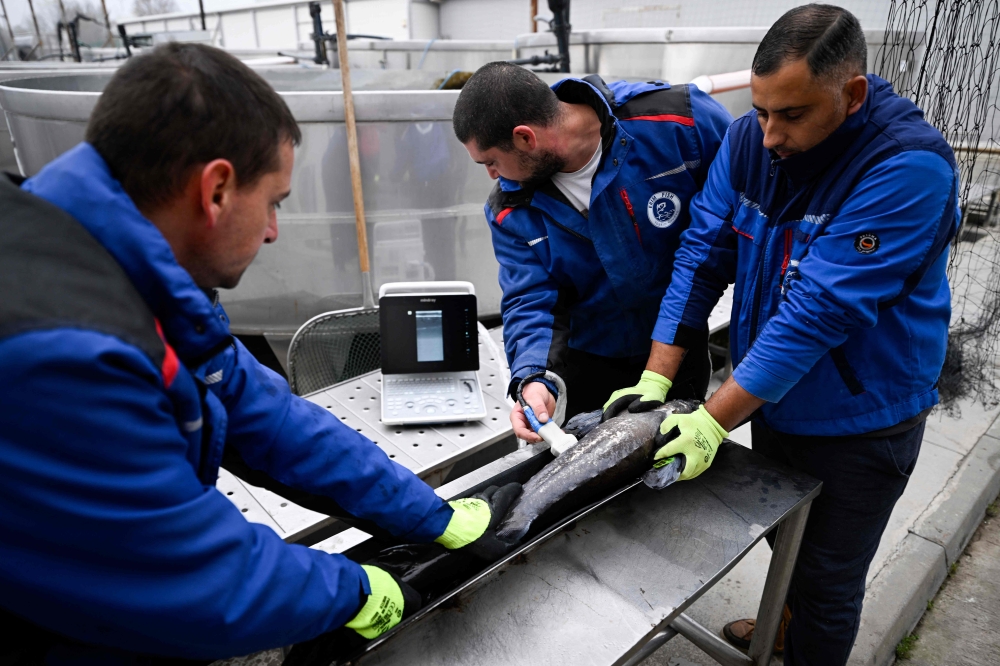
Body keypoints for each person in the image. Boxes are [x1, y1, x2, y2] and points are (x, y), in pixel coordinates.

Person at [0, 43, 520, 665]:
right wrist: (353, 591)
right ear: (216, 188)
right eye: (273, 201)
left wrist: (426, 515)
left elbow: (263, 416)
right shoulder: (59, 354)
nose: (275, 230)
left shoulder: (123, 267)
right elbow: (189, 576)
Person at [605, 5, 959, 663]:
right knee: (785, 543)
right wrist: (656, 376)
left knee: (827, 580)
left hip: (860, 422)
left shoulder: (909, 169)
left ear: (851, 95)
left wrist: (713, 420)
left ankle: (806, 640)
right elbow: (700, 255)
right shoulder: (747, 142)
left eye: (791, 115)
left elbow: (817, 313)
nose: (769, 135)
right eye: (763, 110)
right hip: (775, 403)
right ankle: (784, 626)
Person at [452, 62, 733, 442]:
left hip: (680, 349)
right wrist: (534, 377)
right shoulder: (510, 208)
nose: (492, 175)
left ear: (524, 138)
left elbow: (743, 211)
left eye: (490, 161)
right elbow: (529, 299)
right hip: (589, 365)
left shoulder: (679, 121)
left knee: (678, 468)